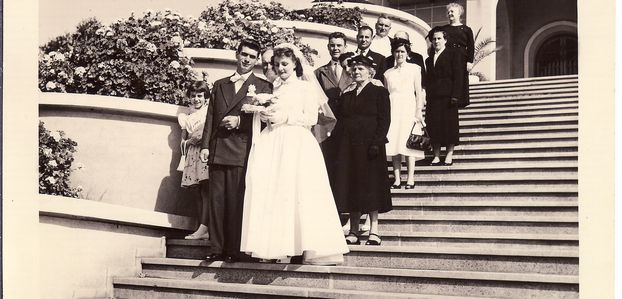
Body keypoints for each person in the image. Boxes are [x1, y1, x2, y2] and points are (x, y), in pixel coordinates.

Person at [240, 43, 349, 265]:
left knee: (300, 193)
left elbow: (310, 118)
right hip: (274, 142)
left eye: (285, 64)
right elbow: (272, 114)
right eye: (277, 64)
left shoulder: (305, 88)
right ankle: (278, 246)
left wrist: (285, 118)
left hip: (296, 142)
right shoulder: (274, 89)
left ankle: (309, 248)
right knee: (277, 192)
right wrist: (264, 116)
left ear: (295, 64)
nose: (280, 68)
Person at [200, 39, 273, 263]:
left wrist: (240, 121)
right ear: (237, 54)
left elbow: (263, 119)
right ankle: (217, 247)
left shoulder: (262, 86)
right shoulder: (220, 84)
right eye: (244, 54)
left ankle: (233, 249)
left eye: (252, 56)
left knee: (236, 201)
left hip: (241, 150)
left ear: (257, 60)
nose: (247, 59)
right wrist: (204, 145)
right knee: (216, 201)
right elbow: (210, 116)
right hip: (217, 149)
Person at [330, 55, 392, 246]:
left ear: (370, 72)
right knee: (352, 187)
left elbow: (384, 120)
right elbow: (341, 121)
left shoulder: (379, 92)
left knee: (372, 188)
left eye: (361, 69)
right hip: (349, 149)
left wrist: (377, 142)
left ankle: (374, 230)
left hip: (371, 148)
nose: (356, 72)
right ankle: (354, 230)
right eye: (354, 69)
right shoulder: (347, 95)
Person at [384, 38, 425, 189]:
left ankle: (410, 178)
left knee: (409, 145)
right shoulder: (388, 73)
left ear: (407, 53)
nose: (399, 54)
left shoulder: (415, 69)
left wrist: (418, 111)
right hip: (393, 109)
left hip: (408, 108)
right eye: (397, 51)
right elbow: (386, 94)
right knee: (394, 144)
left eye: (402, 51)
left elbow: (419, 92)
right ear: (393, 53)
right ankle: (396, 179)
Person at [425, 29, 465, 166]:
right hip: (433, 97)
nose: (436, 41)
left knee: (449, 126)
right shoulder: (429, 59)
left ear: (445, 40)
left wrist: (456, 95)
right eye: (434, 39)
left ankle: (449, 154)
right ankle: (436, 155)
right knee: (434, 126)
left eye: (439, 39)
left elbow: (459, 76)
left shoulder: (452, 55)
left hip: (448, 97)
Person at [178, 81, 211, 239]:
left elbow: (205, 133)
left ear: (205, 98)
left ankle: (206, 226)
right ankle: (201, 226)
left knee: (206, 190)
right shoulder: (186, 117)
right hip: (192, 155)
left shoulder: (207, 112)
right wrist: (188, 141)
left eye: (200, 96)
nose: (196, 99)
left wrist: (196, 138)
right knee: (195, 190)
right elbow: (183, 140)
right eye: (193, 96)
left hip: (204, 153)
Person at [440, 2, 474, 108]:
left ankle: (459, 100)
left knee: (460, 77)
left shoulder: (466, 29)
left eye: (452, 11)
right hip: (448, 56)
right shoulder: (444, 29)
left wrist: (470, 61)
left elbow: (471, 46)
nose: (450, 13)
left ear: (459, 14)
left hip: (461, 57)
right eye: (448, 12)